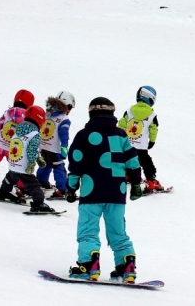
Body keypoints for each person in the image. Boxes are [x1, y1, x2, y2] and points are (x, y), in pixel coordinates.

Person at [67, 97, 142, 282]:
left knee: (88, 229)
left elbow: (76, 162)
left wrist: (71, 187)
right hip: (117, 191)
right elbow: (132, 160)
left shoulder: (83, 135)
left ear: (91, 113)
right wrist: (136, 183)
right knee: (117, 230)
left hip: (91, 191)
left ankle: (88, 264)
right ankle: (127, 265)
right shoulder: (121, 135)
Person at [0, 105, 55, 213]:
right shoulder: (35, 134)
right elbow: (31, 150)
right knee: (33, 184)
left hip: (14, 162)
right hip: (23, 165)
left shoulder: (18, 129)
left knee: (11, 177)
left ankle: (3, 192)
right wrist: (31, 163)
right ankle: (38, 203)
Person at [117, 86, 162, 192]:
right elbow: (153, 129)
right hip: (141, 146)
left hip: (127, 143)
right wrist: (152, 140)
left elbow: (121, 124)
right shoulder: (152, 115)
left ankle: (127, 175)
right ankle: (151, 181)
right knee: (145, 162)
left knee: (127, 159)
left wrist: (118, 136)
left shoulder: (129, 111)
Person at [37, 91, 75, 199]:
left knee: (45, 164)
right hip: (55, 149)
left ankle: (41, 181)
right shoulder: (64, 119)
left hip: (43, 147)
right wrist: (64, 148)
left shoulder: (47, 114)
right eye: (70, 107)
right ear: (66, 105)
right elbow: (64, 135)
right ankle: (63, 189)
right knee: (59, 168)